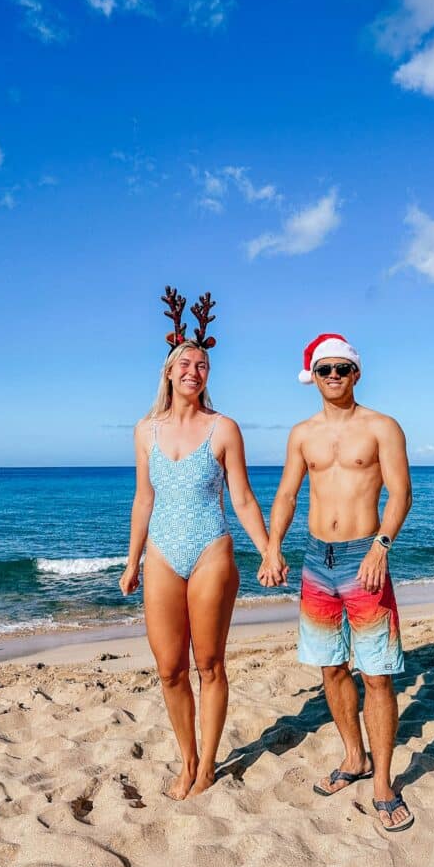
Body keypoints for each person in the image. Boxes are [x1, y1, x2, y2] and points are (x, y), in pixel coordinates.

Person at [258, 333, 414, 832]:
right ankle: (354, 758)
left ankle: (384, 783)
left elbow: (400, 494)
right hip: (315, 562)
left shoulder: (381, 427)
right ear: (314, 377)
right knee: (330, 668)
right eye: (324, 370)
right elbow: (286, 494)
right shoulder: (302, 434)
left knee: (378, 675)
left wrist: (380, 547)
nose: (333, 377)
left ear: (356, 373)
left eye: (341, 369)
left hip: (365, 558)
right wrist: (271, 546)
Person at [120, 287, 271, 800]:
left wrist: (269, 548)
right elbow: (144, 499)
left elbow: (244, 499)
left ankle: (207, 764)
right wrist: (132, 560)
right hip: (162, 551)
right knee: (168, 669)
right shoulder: (145, 431)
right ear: (168, 371)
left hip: (211, 549)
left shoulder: (224, 428)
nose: (194, 371)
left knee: (209, 663)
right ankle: (185, 759)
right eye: (185, 363)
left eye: (202, 365)